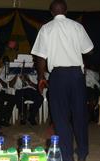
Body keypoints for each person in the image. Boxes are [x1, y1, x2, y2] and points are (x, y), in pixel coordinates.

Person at [31, 0, 94, 161]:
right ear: (66, 10)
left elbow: (40, 56)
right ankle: (82, 153)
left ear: (51, 12)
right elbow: (90, 50)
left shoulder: (46, 28)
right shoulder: (77, 26)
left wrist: (40, 77)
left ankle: (67, 156)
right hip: (76, 75)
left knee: (60, 117)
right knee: (80, 115)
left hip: (58, 76)